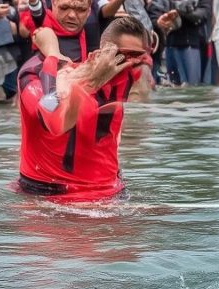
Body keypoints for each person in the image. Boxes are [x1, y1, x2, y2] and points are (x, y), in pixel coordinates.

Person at [16, 16, 151, 201]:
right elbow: (53, 120)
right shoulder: (35, 75)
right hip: (50, 193)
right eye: (123, 56)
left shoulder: (127, 78)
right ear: (98, 54)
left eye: (138, 57)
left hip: (109, 191)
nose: (131, 63)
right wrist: (87, 81)